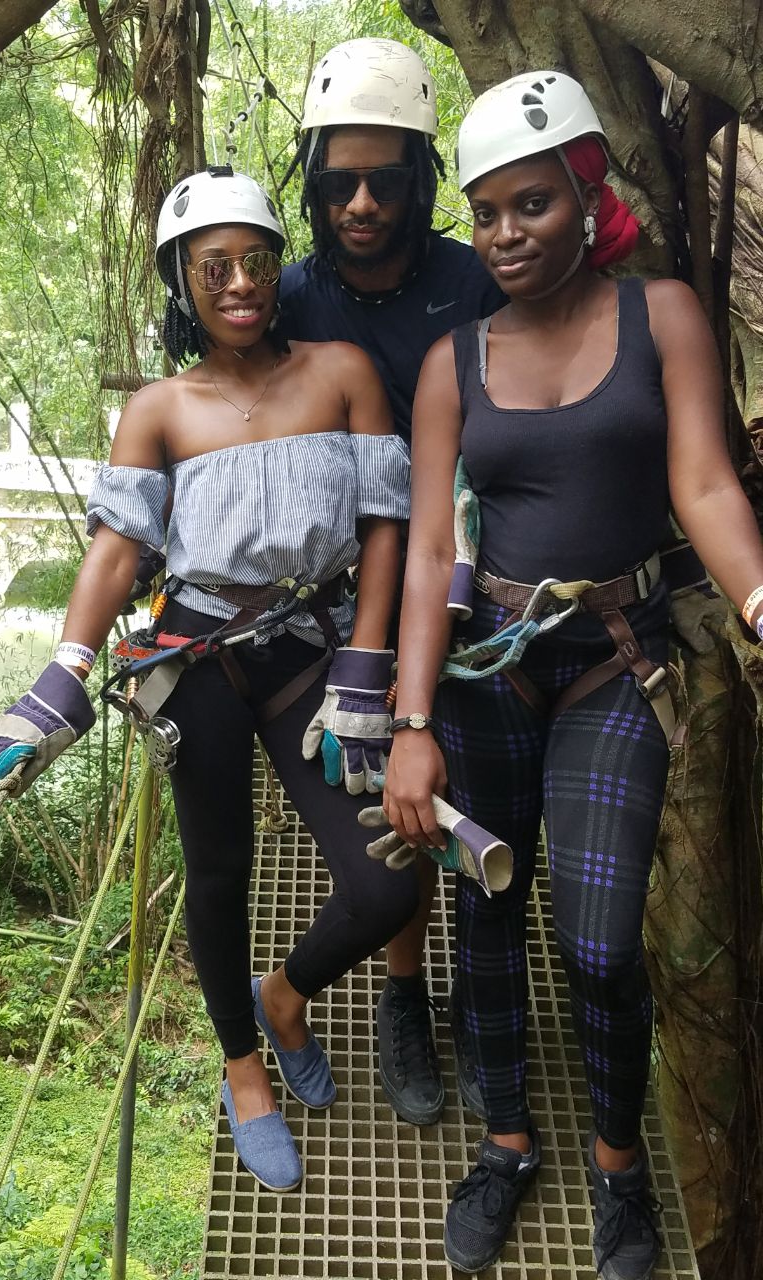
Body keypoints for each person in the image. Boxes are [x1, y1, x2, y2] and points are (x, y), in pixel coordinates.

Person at [382, 70, 763, 1280]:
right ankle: (504, 1143)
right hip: (486, 672)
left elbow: (705, 483)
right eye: (486, 211)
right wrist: (409, 720)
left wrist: (762, 598)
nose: (505, 233)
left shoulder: (663, 317)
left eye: (533, 203)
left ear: (588, 195)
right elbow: (432, 549)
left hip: (613, 658)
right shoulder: (453, 361)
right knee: (487, 916)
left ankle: (618, 1165)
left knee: (601, 943)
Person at [0, 166, 417, 1194]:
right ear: (183, 279)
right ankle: (243, 1067)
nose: (239, 284)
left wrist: (367, 664)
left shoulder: (342, 371)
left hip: (314, 648)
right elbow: (116, 549)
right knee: (218, 873)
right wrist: (63, 675)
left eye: (254, 261)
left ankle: (285, 994)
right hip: (200, 653)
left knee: (387, 882)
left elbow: (386, 529)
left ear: (279, 266)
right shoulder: (158, 407)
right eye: (212, 267)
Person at [280, 35, 505, 1132]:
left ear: (420, 180)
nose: (360, 205)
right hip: (351, 585)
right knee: (389, 792)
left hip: (482, 573)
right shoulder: (287, 296)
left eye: (383, 181)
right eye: (338, 185)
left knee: (481, 780)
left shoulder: (476, 283)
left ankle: (485, 994)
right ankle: (405, 991)